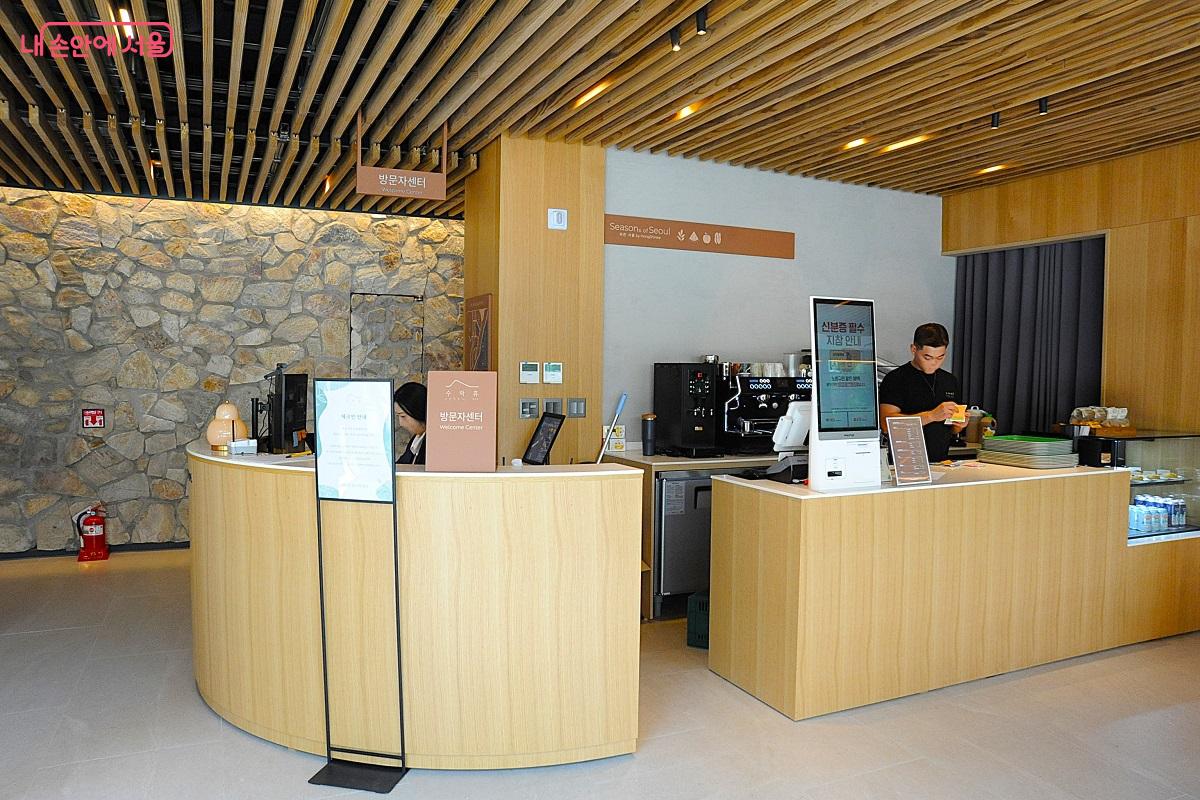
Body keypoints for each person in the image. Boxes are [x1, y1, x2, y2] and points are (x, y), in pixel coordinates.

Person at [878, 323, 965, 462]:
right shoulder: (896, 379)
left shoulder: (949, 380)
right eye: (927, 357)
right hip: (906, 463)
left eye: (940, 357)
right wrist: (931, 416)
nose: (934, 363)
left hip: (942, 462)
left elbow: (952, 429)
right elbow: (886, 424)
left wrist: (959, 425)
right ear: (914, 349)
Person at [394, 381, 427, 465]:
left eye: (403, 416)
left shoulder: (433, 447)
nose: (401, 423)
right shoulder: (415, 440)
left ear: (417, 411)